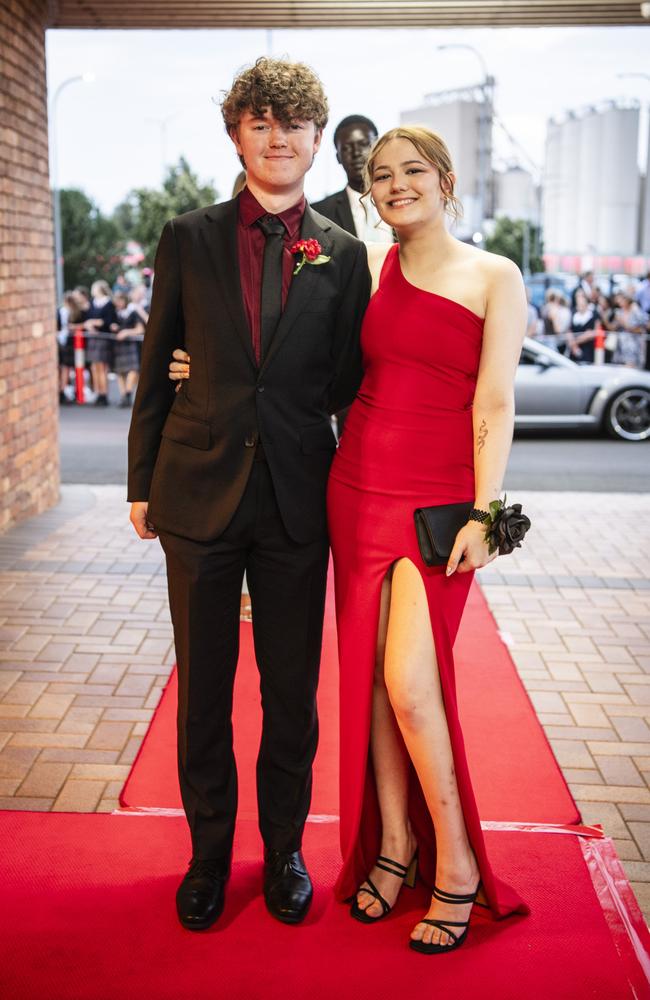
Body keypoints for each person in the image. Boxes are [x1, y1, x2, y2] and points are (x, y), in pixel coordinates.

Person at [170, 125, 529, 953]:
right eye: (380, 176)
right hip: (355, 488)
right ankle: (395, 850)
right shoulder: (371, 266)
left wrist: (486, 511)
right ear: (369, 192)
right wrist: (205, 367)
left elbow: (495, 404)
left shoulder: (494, 275)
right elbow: (297, 349)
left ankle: (461, 866)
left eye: (412, 171)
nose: (396, 184)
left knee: (410, 683)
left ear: (444, 180)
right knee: (368, 682)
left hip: (438, 499)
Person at [127, 56, 369, 933]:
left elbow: (345, 375)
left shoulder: (342, 256)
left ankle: (286, 853)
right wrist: (140, 480)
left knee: (291, 694)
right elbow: (158, 361)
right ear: (238, 134)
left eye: (293, 124)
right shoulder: (187, 235)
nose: (278, 138)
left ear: (315, 139)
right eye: (260, 122)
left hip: (298, 499)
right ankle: (206, 857)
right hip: (195, 489)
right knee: (203, 690)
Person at [312, 115, 393, 244]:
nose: (356, 153)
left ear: (378, 149)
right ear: (338, 157)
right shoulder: (318, 214)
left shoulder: (400, 200)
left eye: (364, 144)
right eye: (347, 148)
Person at [84, 280, 117, 405]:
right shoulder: (92, 303)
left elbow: (110, 320)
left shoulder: (109, 303)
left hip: (103, 338)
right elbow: (87, 318)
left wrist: (97, 323)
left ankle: (104, 394)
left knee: (102, 367)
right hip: (93, 338)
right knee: (94, 367)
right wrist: (89, 325)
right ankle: (98, 393)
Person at [111, 292, 145, 407]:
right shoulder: (116, 313)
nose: (118, 303)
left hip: (131, 345)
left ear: (125, 300)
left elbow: (140, 329)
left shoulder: (133, 312)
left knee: (132, 370)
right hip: (119, 346)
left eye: (120, 301)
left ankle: (128, 394)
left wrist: (126, 332)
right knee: (120, 371)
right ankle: (123, 396)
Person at [569, 288, 597, 363]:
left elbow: (591, 333)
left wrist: (575, 342)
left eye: (582, 296)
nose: (580, 298)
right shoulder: (573, 312)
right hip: (573, 349)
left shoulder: (592, 313)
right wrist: (573, 346)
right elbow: (569, 330)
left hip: (587, 348)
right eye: (578, 296)